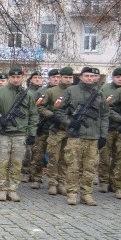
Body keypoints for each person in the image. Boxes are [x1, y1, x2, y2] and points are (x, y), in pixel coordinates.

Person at [0, 65, 38, 202]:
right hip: (3, 134)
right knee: (1, 162)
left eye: (18, 77)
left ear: (22, 78)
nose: (16, 79)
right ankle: (1, 189)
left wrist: (32, 133)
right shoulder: (0, 92)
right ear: (9, 78)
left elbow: (33, 115)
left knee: (17, 163)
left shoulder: (28, 95)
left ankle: (12, 189)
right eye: (13, 77)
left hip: (20, 134)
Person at [56, 67, 109, 206]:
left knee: (90, 168)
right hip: (76, 136)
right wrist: (70, 122)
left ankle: (86, 194)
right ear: (80, 76)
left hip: (93, 137)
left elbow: (104, 115)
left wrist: (103, 135)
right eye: (87, 76)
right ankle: (72, 193)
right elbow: (59, 110)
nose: (90, 78)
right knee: (73, 167)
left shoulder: (99, 94)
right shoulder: (70, 91)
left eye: (92, 76)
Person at [40, 67, 75, 196]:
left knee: (66, 158)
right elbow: (39, 106)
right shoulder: (51, 92)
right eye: (66, 77)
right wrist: (50, 115)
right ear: (60, 77)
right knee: (53, 157)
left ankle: (62, 182)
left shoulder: (75, 91)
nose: (68, 80)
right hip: (56, 129)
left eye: (70, 77)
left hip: (70, 130)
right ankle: (52, 183)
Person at [98, 68, 121, 192]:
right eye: (117, 77)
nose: (120, 79)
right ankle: (104, 181)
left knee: (119, 156)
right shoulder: (105, 89)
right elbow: (105, 108)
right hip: (108, 128)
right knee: (105, 156)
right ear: (113, 77)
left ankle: (114, 182)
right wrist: (120, 119)